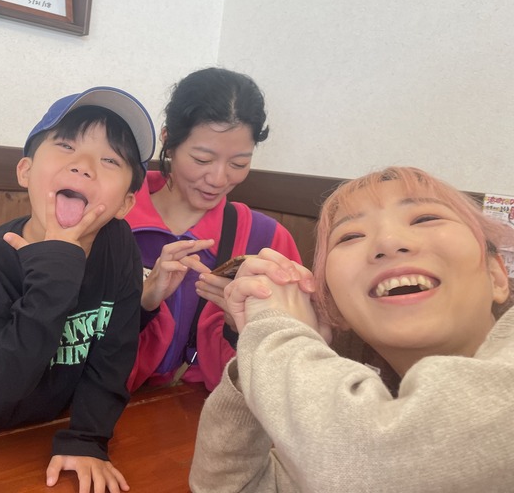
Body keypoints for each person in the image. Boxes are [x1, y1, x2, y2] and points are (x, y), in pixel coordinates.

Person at [190, 166, 514, 492]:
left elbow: (381, 463)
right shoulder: (353, 428)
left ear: (497, 276)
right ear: (334, 308)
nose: (388, 242)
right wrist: (261, 357)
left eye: (424, 218)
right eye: (351, 236)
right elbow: (230, 486)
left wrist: (276, 336)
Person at [0, 87, 156, 493]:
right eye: (66, 146)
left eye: (110, 160)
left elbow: (114, 353)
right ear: (25, 171)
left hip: (36, 438)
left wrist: (87, 438)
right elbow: (5, 382)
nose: (84, 166)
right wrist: (57, 267)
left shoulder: (119, 246)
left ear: (126, 203)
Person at [125, 67, 302, 391]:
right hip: (99, 406)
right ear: (168, 140)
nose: (219, 179)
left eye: (238, 164)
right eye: (202, 159)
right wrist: (140, 305)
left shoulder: (266, 240)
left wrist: (239, 326)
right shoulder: (110, 217)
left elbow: (292, 361)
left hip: (211, 408)